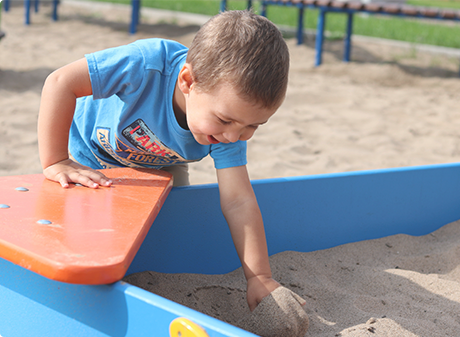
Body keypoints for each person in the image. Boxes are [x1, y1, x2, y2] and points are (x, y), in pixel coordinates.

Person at [38, 10, 292, 312]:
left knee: (166, 225)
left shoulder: (229, 128)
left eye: (253, 126)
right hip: (91, 152)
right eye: (225, 120)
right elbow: (60, 82)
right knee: (86, 233)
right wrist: (56, 161)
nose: (235, 136)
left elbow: (238, 201)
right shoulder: (145, 65)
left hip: (162, 162)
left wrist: (259, 276)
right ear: (187, 81)